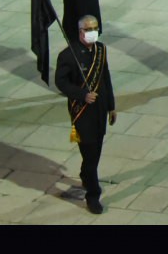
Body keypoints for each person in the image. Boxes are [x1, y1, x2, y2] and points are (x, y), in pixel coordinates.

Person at [55, 14, 116, 215]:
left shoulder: (101, 50)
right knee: (90, 155)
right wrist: (82, 94)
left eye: (95, 28)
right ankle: (93, 195)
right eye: (88, 29)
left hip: (99, 111)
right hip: (82, 113)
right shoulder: (68, 55)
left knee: (95, 151)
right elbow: (61, 82)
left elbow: (105, 77)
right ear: (80, 31)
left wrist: (111, 106)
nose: (92, 32)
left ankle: (85, 173)